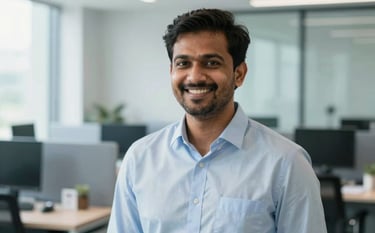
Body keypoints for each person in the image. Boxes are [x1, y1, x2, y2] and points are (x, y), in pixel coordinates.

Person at [107, 8, 327, 233]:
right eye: (183, 63)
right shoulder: (139, 158)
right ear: (171, 71)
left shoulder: (286, 162)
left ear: (239, 74)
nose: (194, 76)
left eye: (211, 63)